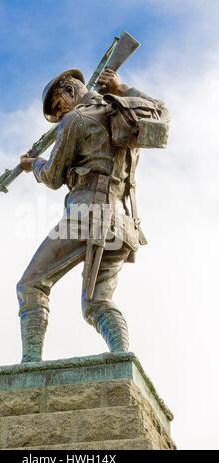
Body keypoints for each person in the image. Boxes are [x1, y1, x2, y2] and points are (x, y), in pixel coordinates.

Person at [18, 68, 169, 363]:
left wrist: (33, 165)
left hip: (87, 214)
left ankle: (29, 363)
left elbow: (52, 176)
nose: (61, 114)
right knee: (98, 302)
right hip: (122, 224)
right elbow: (163, 113)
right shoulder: (123, 111)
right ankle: (122, 359)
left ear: (70, 91)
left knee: (31, 284)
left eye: (59, 106)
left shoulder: (75, 120)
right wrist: (122, 87)